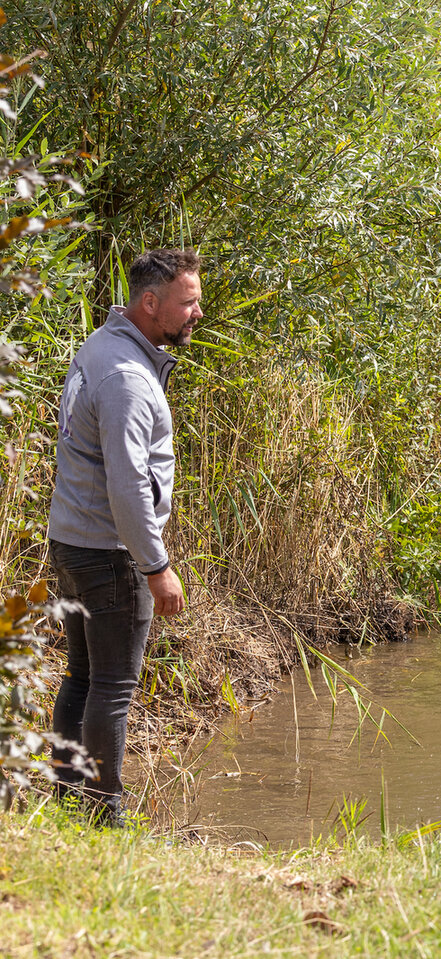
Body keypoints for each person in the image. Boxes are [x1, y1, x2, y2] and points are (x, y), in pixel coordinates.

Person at [47, 248, 204, 824]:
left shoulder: (101, 347)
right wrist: (155, 566)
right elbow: (128, 485)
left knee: (83, 676)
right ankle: (103, 816)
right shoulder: (128, 379)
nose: (196, 313)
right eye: (188, 303)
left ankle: (69, 801)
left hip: (71, 542)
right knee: (111, 685)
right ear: (150, 302)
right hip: (109, 555)